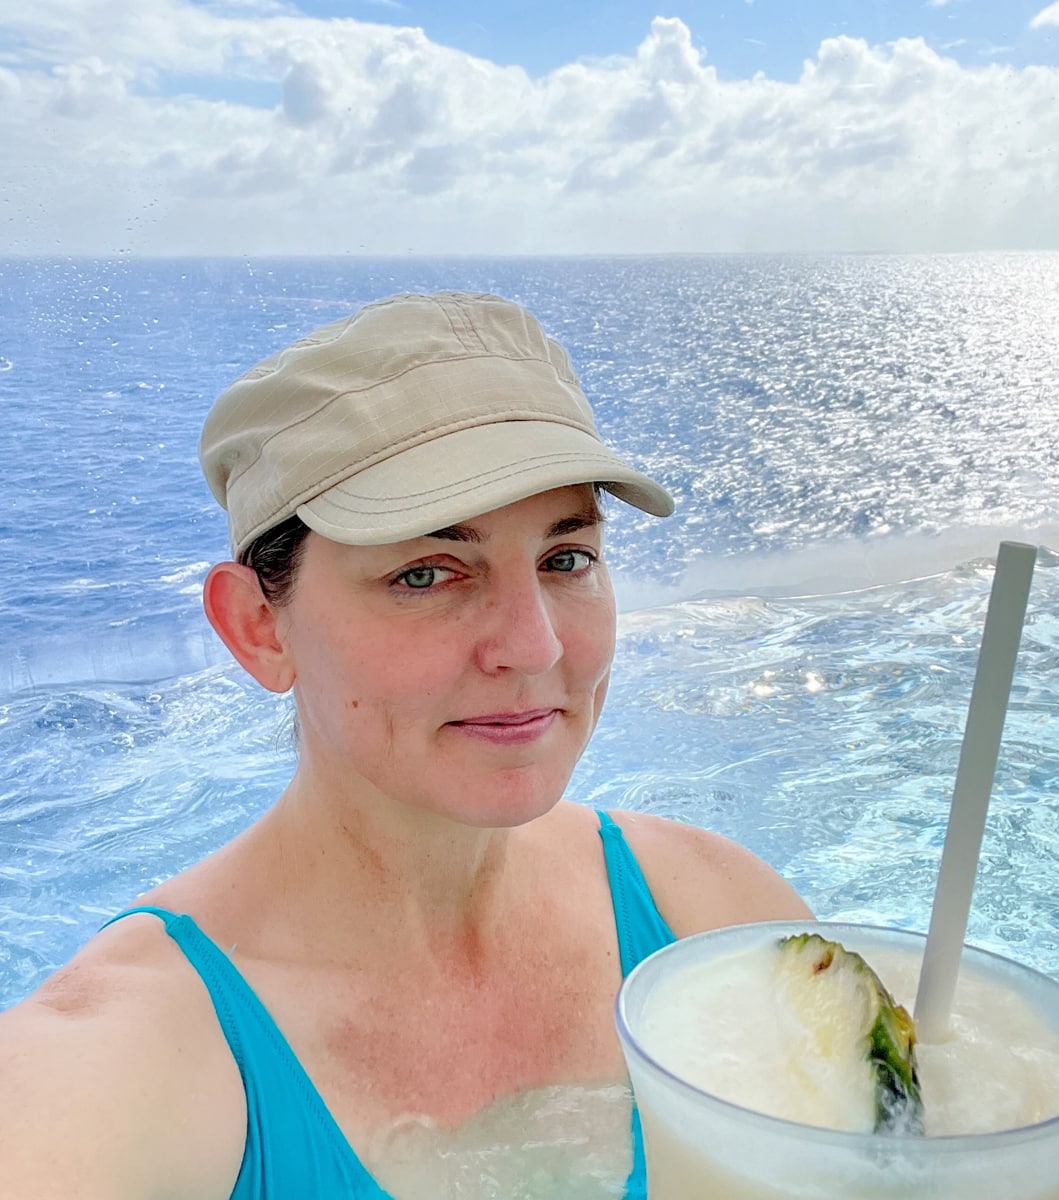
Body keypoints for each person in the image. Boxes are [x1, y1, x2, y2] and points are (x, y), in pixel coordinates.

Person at [0, 291, 811, 1199]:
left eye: (565, 558)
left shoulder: (720, 919)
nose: (534, 645)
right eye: (425, 573)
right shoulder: (108, 1073)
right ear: (257, 628)